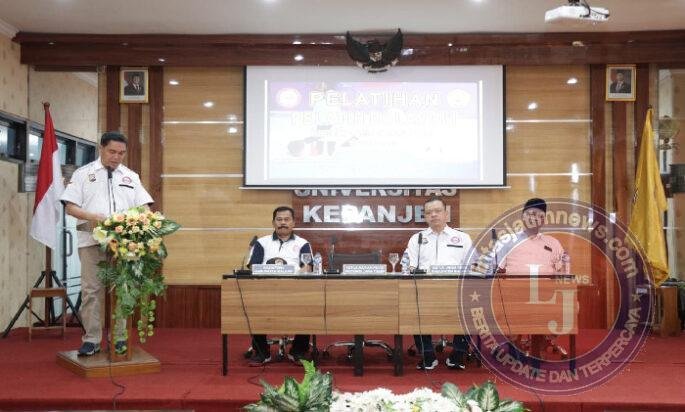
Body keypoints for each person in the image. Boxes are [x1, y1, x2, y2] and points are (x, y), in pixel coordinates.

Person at [60, 131, 153, 356]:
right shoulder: (83, 174)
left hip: (124, 244)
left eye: (121, 153)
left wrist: (144, 219)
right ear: (101, 148)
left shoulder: (130, 176)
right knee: (91, 291)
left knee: (123, 289)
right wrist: (93, 217)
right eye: (112, 151)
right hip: (91, 241)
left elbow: (144, 206)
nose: (116, 157)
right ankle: (92, 339)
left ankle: (119, 337)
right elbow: (70, 206)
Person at [496, 198, 569, 360]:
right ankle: (515, 343)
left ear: (544, 219)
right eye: (529, 214)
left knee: (570, 305)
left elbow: (562, 272)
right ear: (522, 217)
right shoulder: (507, 241)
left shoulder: (553, 243)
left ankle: (542, 342)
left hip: (545, 295)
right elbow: (497, 271)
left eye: (538, 215)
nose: (533, 218)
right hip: (514, 295)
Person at [406, 196, 473, 370]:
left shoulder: (463, 238)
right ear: (425, 216)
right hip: (425, 290)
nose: (433, 215)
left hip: (456, 289)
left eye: (437, 211)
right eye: (429, 212)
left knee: (472, 308)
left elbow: (471, 266)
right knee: (414, 307)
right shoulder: (417, 239)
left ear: (446, 214)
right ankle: (428, 356)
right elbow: (410, 266)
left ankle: (458, 354)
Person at [247, 206, 313, 366]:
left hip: (295, 289)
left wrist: (293, 275)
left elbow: (308, 267)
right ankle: (262, 352)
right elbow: (253, 267)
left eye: (286, 219)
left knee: (310, 306)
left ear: (293, 223)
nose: (283, 223)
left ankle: (298, 351)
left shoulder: (303, 243)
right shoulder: (261, 243)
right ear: (273, 223)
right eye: (279, 219)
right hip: (265, 289)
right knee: (254, 306)